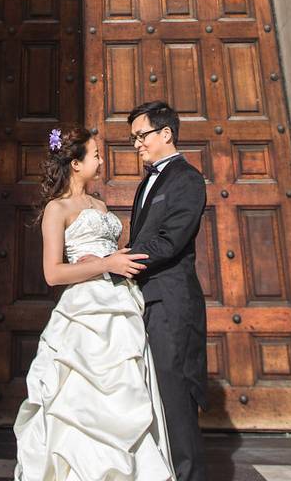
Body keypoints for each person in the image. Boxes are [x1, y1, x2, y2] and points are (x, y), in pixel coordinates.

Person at [13, 125, 174, 481]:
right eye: (96, 154)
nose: (101, 160)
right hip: (84, 313)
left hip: (121, 307)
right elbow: (53, 274)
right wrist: (106, 264)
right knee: (81, 398)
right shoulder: (58, 209)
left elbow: (113, 254)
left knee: (127, 391)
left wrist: (117, 260)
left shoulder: (100, 205)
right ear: (75, 163)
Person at [121, 101, 209, 481]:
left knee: (175, 397)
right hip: (147, 300)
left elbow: (170, 241)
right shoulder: (147, 181)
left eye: (141, 136)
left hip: (172, 303)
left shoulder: (187, 180)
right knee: (154, 397)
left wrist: (118, 263)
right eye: (133, 139)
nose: (136, 144)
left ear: (166, 134)